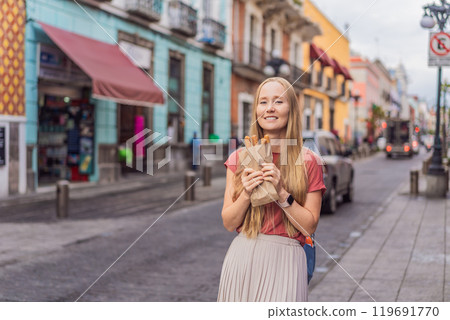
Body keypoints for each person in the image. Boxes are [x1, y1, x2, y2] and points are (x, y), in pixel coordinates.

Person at [217, 77, 326, 302]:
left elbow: (309, 226)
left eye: (278, 101)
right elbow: (229, 222)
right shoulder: (238, 158)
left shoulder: (308, 161)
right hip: (241, 259)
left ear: (291, 110)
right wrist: (246, 194)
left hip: (286, 261)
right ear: (256, 109)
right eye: (263, 102)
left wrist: (282, 193)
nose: (269, 108)